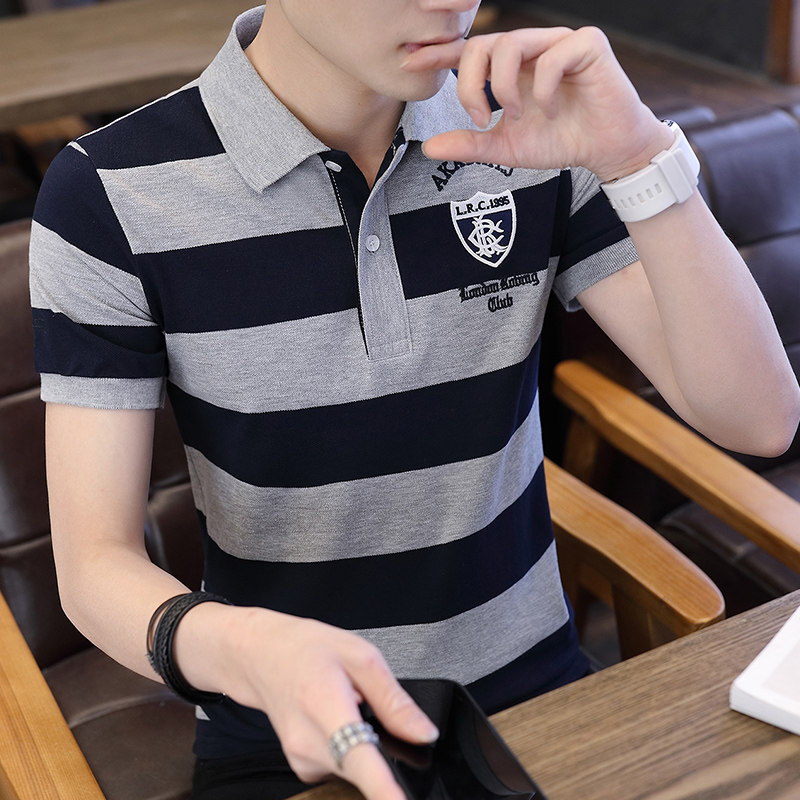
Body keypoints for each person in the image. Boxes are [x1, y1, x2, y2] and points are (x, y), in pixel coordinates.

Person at [29, 2, 800, 799]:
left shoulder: (528, 124)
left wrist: (638, 157)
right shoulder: (107, 191)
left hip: (536, 699)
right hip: (288, 734)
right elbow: (94, 567)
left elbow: (758, 418)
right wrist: (246, 649)